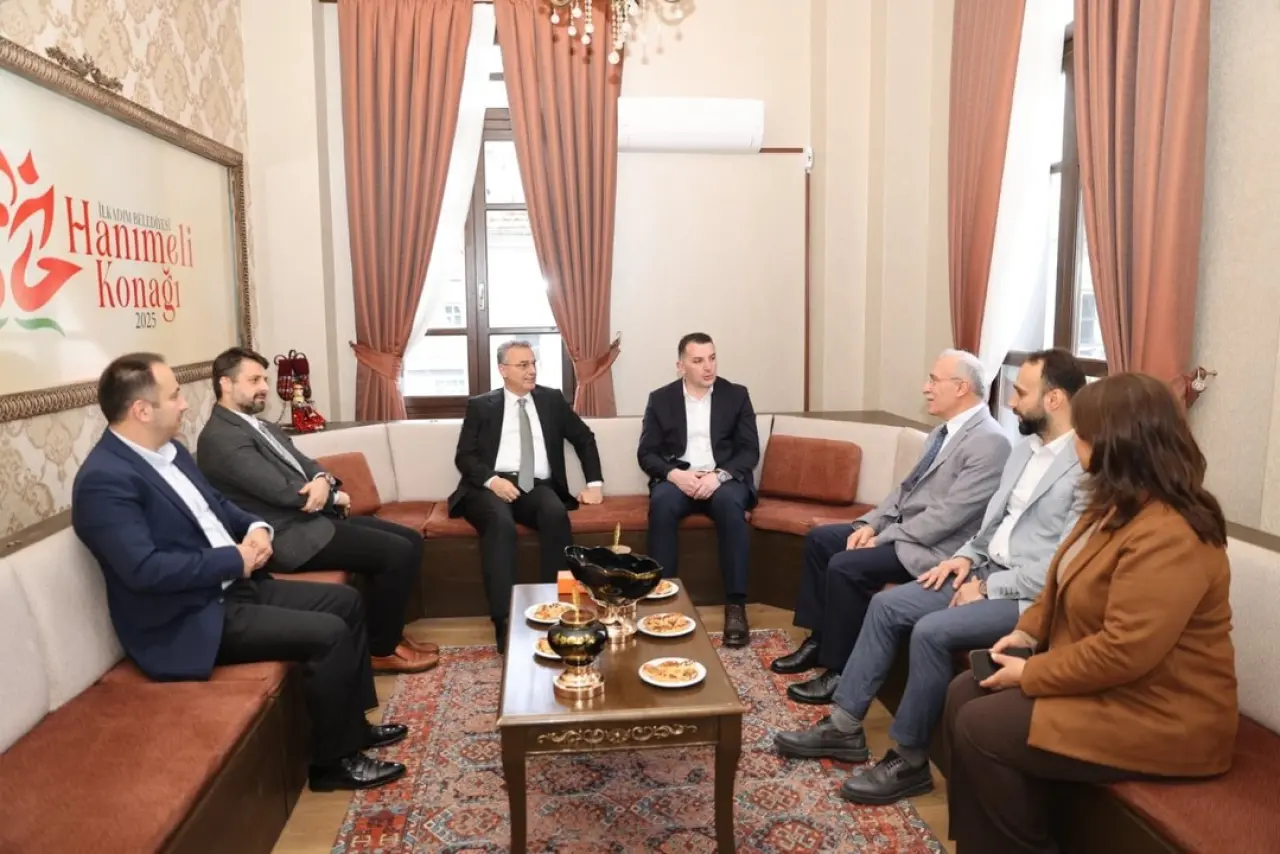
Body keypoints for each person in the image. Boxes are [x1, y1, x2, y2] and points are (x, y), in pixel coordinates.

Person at [72, 353, 407, 791]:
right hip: (189, 618)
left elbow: (218, 506)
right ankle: (332, 765)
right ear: (141, 410)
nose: (185, 404)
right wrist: (235, 559)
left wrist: (256, 527)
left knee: (345, 601)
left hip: (233, 587)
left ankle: (353, 728)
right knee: (328, 633)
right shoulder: (104, 481)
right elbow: (144, 570)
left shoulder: (171, 453)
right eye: (174, 396)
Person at [774, 348, 1087, 803]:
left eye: (1021, 392)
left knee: (930, 631)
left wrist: (988, 586)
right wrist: (964, 558)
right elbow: (990, 525)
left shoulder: (1085, 467)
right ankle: (844, 728)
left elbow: (1063, 563)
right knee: (885, 605)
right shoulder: (1024, 451)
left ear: (1054, 399)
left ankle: (911, 760)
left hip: (1025, 596)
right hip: (981, 569)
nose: (1011, 401)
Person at [942, 372, 1237, 854]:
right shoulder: (1115, 506)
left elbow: (1124, 652)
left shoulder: (1172, 533)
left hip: (1160, 713)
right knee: (963, 691)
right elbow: (1060, 582)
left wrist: (1031, 673)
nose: (1073, 441)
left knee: (981, 727)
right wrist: (1026, 633)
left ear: (1116, 444)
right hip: (1114, 688)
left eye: (1082, 433)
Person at [772, 349, 1011, 704]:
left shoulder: (991, 442)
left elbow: (947, 517)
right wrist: (871, 525)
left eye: (934, 380)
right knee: (821, 540)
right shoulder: (942, 432)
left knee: (847, 566)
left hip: (934, 549)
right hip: (904, 533)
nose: (925, 387)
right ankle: (819, 639)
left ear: (961, 387)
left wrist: (884, 537)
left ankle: (840, 670)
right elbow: (904, 490)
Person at [197, 348, 435, 674]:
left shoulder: (258, 425)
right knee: (396, 553)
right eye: (254, 380)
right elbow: (280, 490)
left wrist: (323, 480)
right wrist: (331, 495)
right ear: (225, 383)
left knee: (411, 540)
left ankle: (388, 634)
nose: (264, 387)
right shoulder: (221, 437)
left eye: (264, 379)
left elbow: (306, 464)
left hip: (309, 521)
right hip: (287, 537)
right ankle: (380, 649)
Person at [448, 339, 605, 647]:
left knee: (555, 513)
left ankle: (555, 607)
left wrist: (595, 485)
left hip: (535, 485)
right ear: (503, 370)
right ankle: (504, 620)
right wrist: (492, 480)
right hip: (490, 486)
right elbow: (464, 456)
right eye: (523, 365)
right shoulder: (481, 406)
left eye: (533, 363)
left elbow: (584, 438)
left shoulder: (551, 400)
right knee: (500, 524)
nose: (531, 370)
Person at [637, 333, 761, 646]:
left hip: (721, 480)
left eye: (712, 358)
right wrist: (674, 475)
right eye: (698, 360)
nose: (708, 367)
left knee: (731, 507)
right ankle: (663, 601)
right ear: (681, 366)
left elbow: (749, 450)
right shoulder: (660, 399)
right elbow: (647, 453)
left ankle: (736, 606)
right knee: (662, 504)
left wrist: (719, 476)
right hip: (681, 478)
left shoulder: (737, 395)